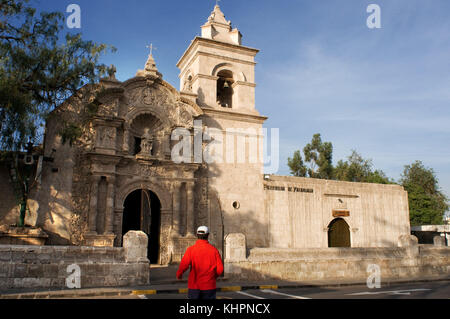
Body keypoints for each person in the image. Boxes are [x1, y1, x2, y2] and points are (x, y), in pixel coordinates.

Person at [176, 226, 224, 300]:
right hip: (209, 286)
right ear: (208, 235)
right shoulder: (214, 250)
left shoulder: (191, 250)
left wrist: (179, 275)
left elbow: (184, 265)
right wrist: (213, 277)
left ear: (197, 235)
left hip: (194, 286)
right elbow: (220, 269)